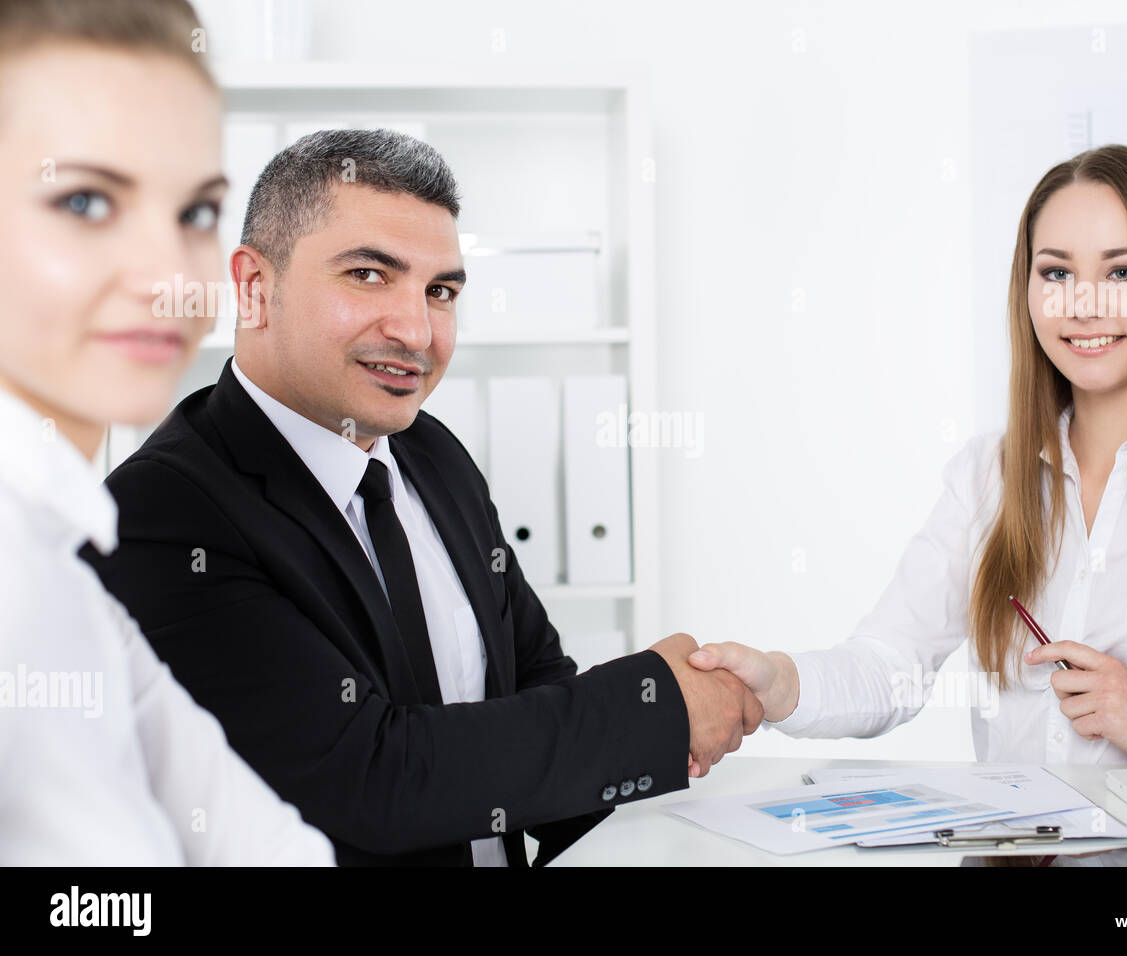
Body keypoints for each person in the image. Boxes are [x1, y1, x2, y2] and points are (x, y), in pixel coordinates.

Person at [86, 127, 763, 867]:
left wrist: (672, 730)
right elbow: (371, 780)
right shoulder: (160, 516)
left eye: (440, 291)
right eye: (369, 275)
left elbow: (536, 680)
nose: (417, 332)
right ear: (254, 288)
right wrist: (656, 710)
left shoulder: (431, 454)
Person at [689, 144, 1127, 768]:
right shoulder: (988, 476)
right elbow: (892, 661)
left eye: (1123, 272)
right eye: (1056, 273)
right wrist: (780, 683)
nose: (1083, 305)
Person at [0, 0, 333, 864]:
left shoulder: (64, 575)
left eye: (193, 213)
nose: (171, 279)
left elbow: (264, 847)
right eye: (85, 200)